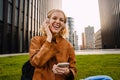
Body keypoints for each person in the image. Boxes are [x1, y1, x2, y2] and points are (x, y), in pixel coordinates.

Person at [29, 9, 77, 80]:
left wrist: (68, 72)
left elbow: (73, 69)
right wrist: (49, 38)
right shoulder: (36, 40)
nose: (57, 21)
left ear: (63, 25)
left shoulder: (68, 45)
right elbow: (36, 62)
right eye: (54, 18)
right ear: (47, 21)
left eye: (61, 20)